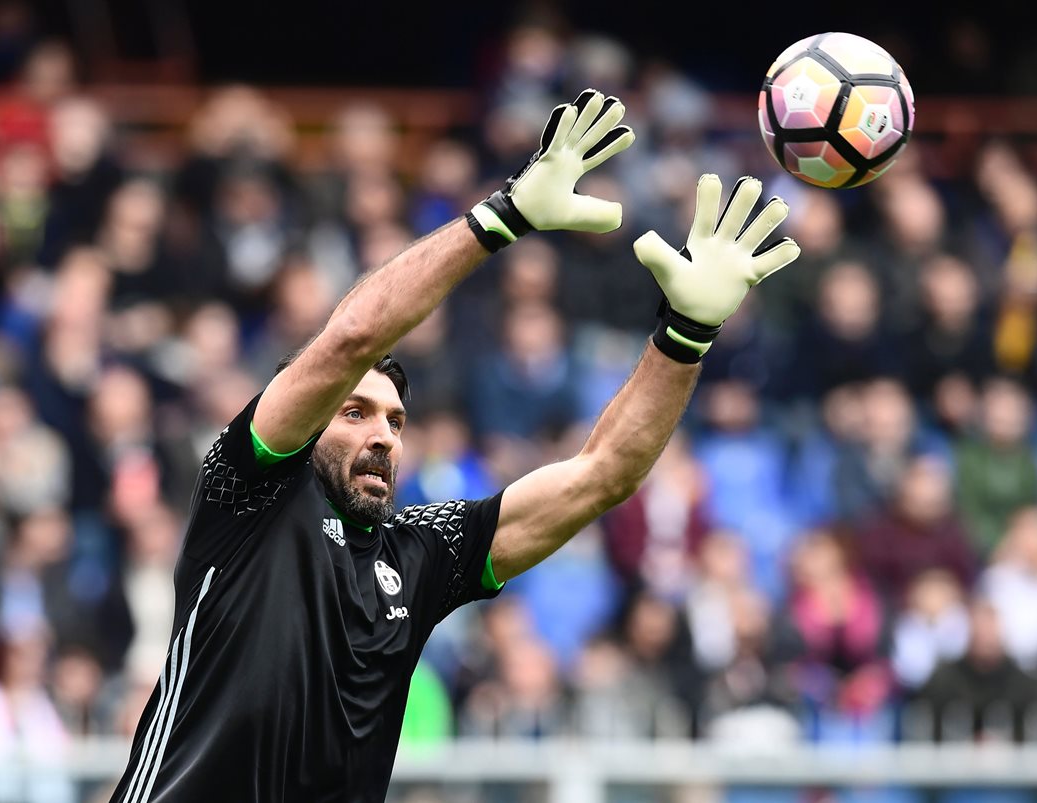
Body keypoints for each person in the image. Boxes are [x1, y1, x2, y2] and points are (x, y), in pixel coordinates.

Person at [108, 89, 800, 803]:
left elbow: (603, 475)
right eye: (355, 411)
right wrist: (502, 216)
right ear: (306, 420)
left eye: (397, 421)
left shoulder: (419, 553)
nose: (382, 432)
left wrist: (685, 335)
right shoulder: (247, 490)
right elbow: (353, 336)